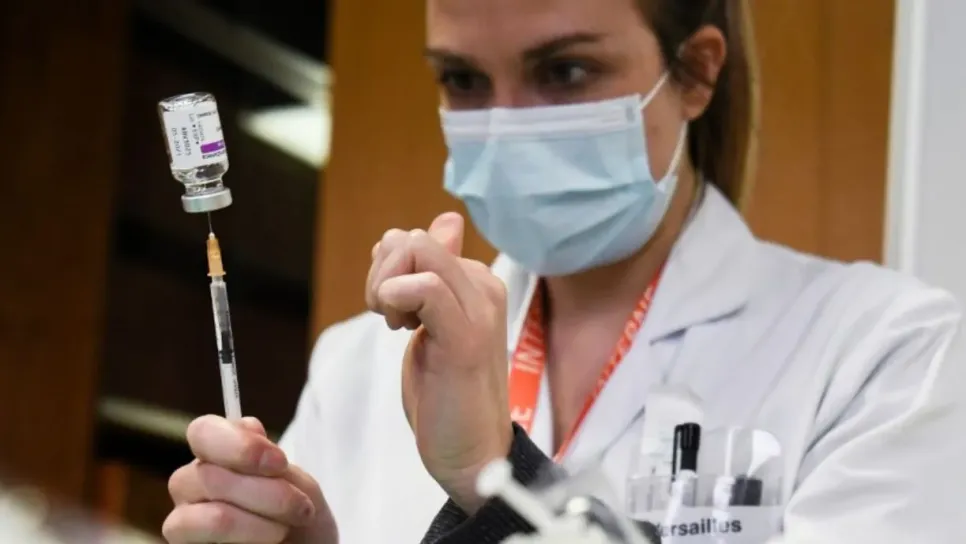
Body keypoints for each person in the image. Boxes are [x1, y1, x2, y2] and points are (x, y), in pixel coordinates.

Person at [160, 0, 966, 542]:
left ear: (696, 72)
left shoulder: (883, 356)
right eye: (464, 80)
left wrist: (499, 480)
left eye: (566, 71)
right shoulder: (360, 367)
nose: (507, 126)